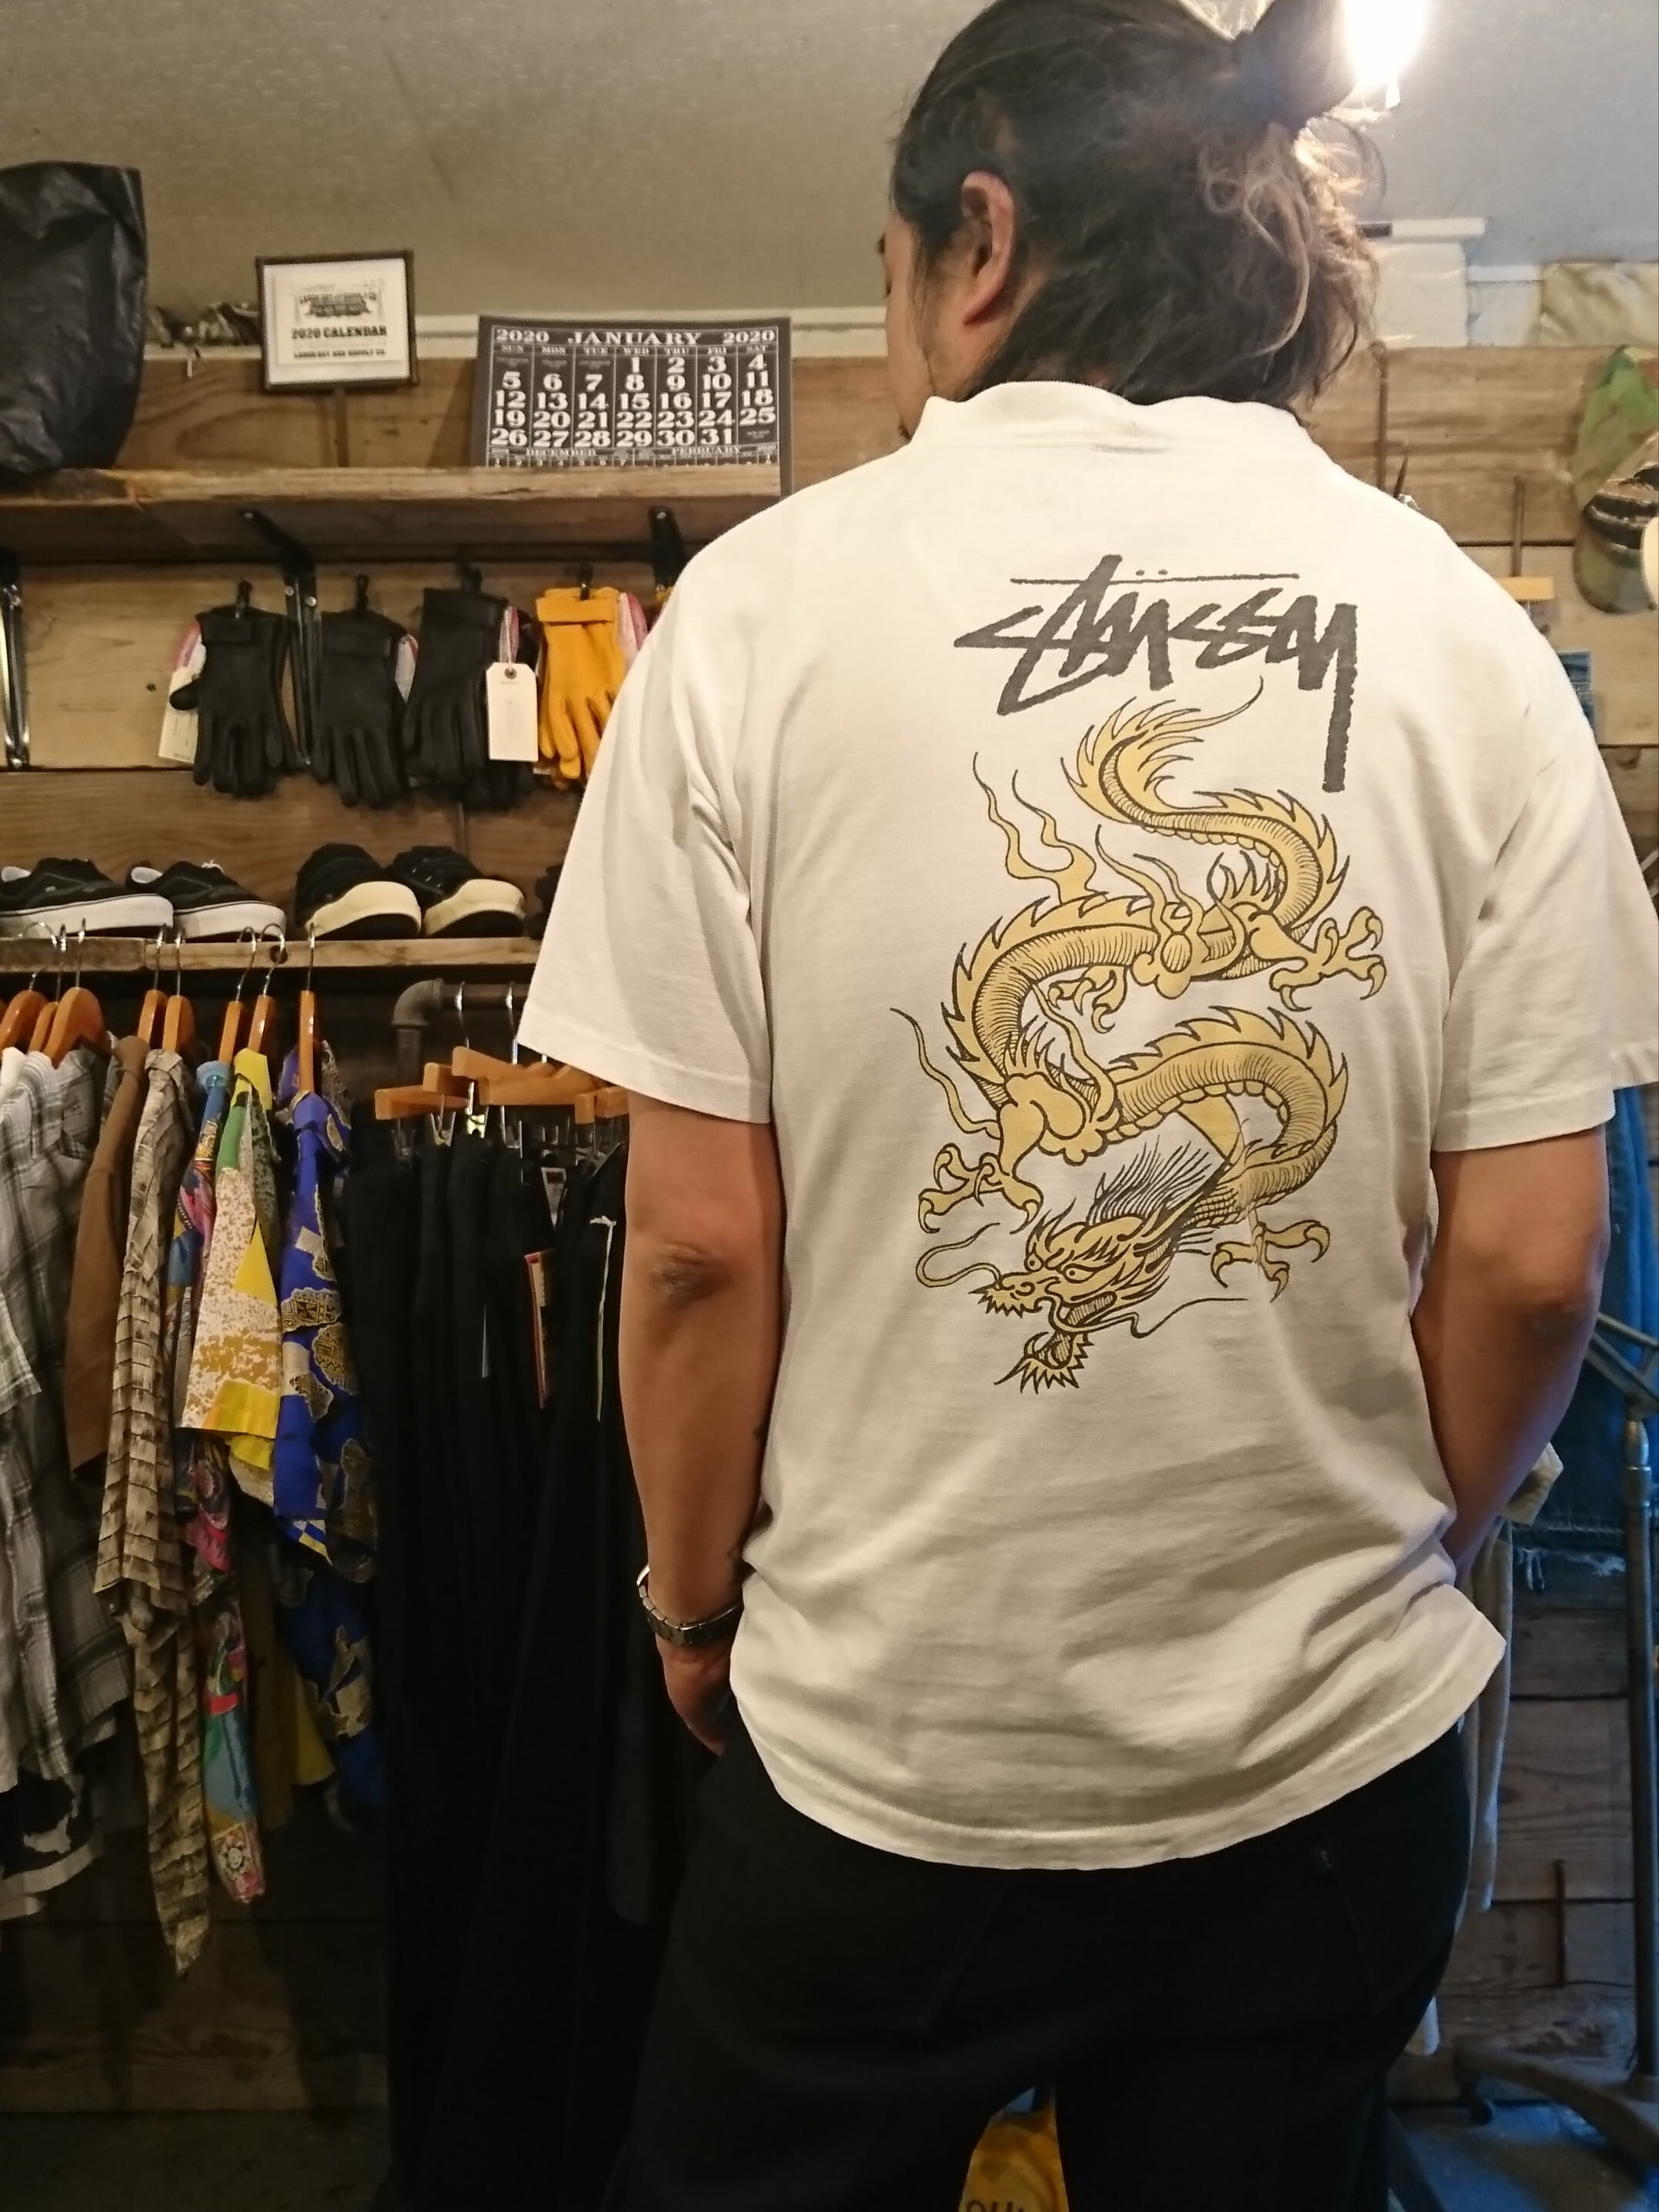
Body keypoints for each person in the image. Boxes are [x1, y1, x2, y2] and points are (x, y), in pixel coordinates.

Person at [519, 1, 1659, 2204]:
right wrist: (1389, 1556)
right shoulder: (1464, 633)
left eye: (885, 275)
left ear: (979, 239)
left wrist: (688, 1608)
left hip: (886, 1764)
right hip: (1325, 1772)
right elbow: (1535, 1267)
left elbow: (696, 1250)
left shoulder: (752, 616)